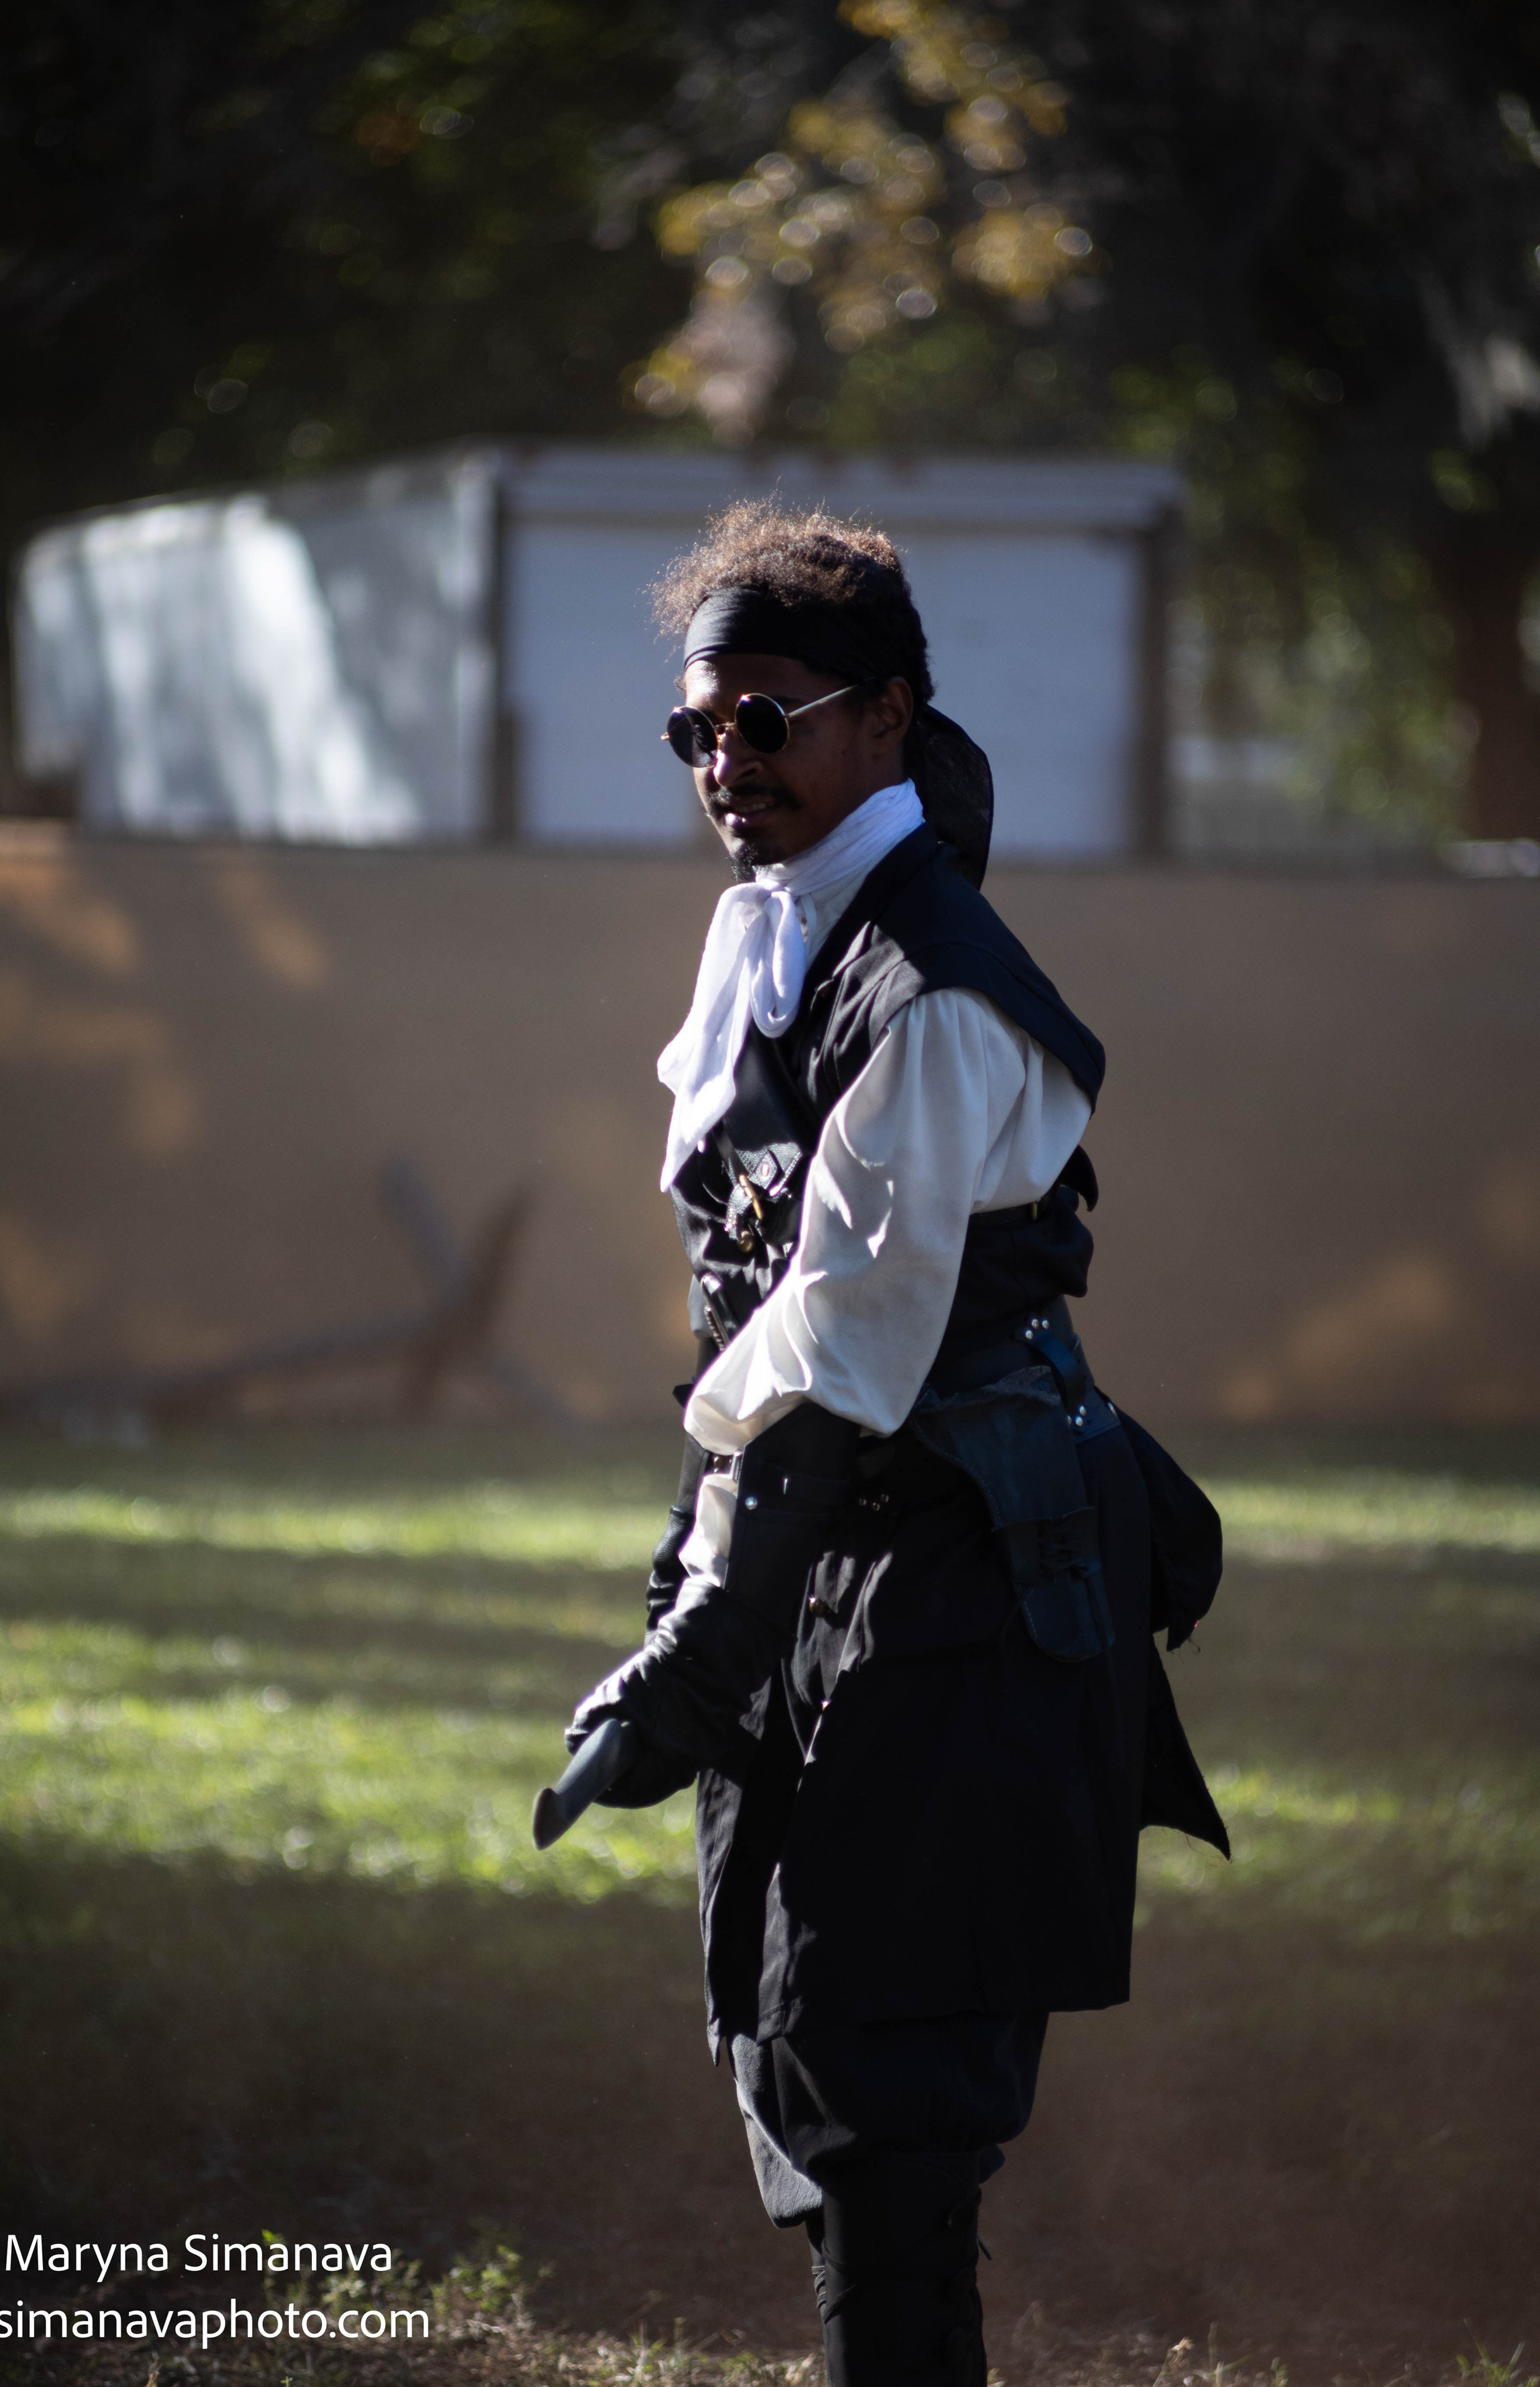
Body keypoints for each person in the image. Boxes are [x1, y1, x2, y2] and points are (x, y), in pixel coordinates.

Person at [561, 504, 1228, 2387]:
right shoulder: (766, 939)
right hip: (834, 1554)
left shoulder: (932, 985)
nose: (725, 762)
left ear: (886, 716)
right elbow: (746, 1297)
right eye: (698, 730)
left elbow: (844, 1338)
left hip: (964, 1569)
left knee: (895, 2078)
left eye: (767, 720)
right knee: (798, 2032)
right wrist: (713, 1586)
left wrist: (703, 1635)